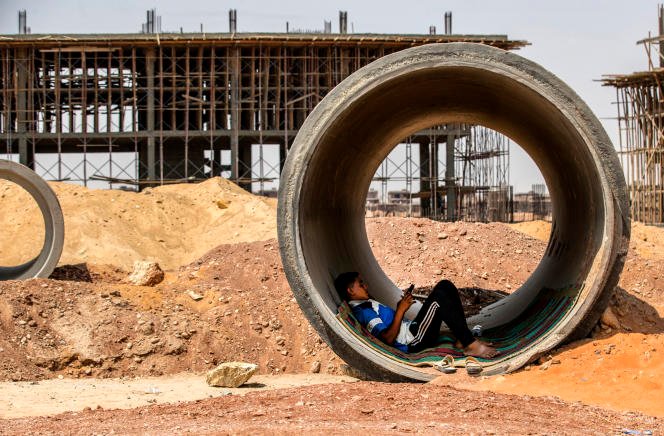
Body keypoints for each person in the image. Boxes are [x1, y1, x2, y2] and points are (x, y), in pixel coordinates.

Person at [334, 272, 498, 358]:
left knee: (444, 285)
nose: (366, 285)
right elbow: (388, 338)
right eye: (361, 284)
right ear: (350, 291)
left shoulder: (368, 303)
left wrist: (400, 306)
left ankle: (463, 339)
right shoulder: (364, 312)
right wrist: (401, 311)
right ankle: (471, 344)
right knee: (438, 300)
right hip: (414, 340)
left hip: (412, 328)